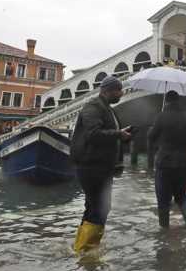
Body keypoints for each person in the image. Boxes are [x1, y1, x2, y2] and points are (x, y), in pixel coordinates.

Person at [70, 75, 132, 252]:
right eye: (119, 90)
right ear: (109, 90)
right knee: (99, 207)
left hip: (101, 167)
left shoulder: (105, 108)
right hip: (91, 166)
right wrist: (119, 134)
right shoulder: (93, 107)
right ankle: (86, 250)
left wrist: (122, 135)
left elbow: (105, 134)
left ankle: (82, 248)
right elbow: (93, 135)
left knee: (94, 207)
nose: (121, 93)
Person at [148, 90, 186, 228]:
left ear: (166, 101)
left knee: (163, 200)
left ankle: (164, 231)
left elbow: (151, 137)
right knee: (181, 196)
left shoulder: (161, 117)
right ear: (178, 101)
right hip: (183, 164)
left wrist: (155, 129)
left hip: (164, 164)